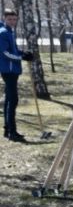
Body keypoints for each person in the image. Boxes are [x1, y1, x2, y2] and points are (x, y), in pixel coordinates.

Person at [0, 9, 35, 143]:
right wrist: (21, 58)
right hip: (8, 71)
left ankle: (7, 129)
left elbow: (14, 50)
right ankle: (12, 132)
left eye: (14, 19)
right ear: (5, 19)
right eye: (10, 19)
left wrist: (24, 53)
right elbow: (5, 53)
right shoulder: (3, 33)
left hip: (13, 70)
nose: (13, 22)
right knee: (13, 100)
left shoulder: (10, 32)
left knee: (9, 99)